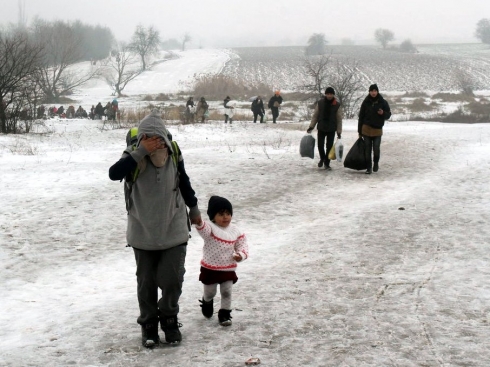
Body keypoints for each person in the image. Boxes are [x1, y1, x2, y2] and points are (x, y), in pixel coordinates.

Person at [108, 111, 202, 348]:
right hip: (142, 231)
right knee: (146, 282)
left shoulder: (174, 153)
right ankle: (149, 325)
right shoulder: (133, 155)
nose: (154, 141)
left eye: (158, 137)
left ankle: (169, 319)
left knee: (172, 279)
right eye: (147, 137)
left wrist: (194, 209)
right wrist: (141, 151)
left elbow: (184, 182)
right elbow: (113, 174)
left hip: (174, 227)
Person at [195, 196, 248, 327]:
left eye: (228, 214)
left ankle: (224, 313)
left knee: (226, 291)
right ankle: (207, 301)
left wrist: (240, 255)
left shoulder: (236, 230)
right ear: (213, 216)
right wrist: (199, 222)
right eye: (221, 214)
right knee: (210, 292)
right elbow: (203, 229)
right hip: (210, 268)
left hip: (228, 268)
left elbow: (242, 245)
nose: (225, 217)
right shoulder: (210, 228)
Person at [358, 84, 391, 174]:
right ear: (369, 92)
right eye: (371, 91)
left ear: (377, 91)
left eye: (375, 91)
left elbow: (388, 115)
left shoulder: (383, 102)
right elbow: (361, 117)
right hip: (366, 129)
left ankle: (375, 163)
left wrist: (383, 113)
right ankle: (369, 167)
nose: (373, 93)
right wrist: (359, 131)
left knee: (376, 149)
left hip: (377, 129)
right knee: (367, 149)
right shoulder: (365, 102)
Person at [307, 87, 343, 170]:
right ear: (325, 94)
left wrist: (339, 131)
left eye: (331, 94)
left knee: (329, 147)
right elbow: (315, 116)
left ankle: (327, 162)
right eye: (328, 94)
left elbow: (339, 119)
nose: (329, 95)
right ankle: (322, 158)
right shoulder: (320, 103)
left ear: (333, 94)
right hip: (321, 127)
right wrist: (311, 126)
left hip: (331, 129)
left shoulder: (337, 105)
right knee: (320, 145)